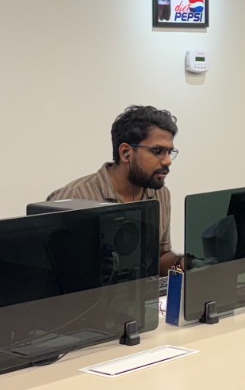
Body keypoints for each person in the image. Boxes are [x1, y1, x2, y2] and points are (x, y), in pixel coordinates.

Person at [48, 105, 183, 275]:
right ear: (126, 153)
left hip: (142, 291)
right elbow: (50, 275)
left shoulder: (160, 194)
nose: (168, 161)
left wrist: (183, 263)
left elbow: (159, 256)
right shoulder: (73, 197)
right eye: (158, 151)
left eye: (170, 152)